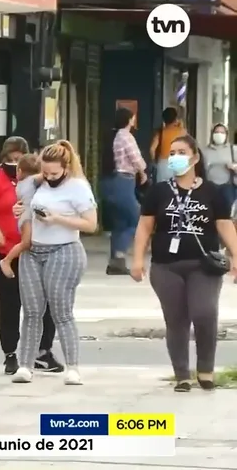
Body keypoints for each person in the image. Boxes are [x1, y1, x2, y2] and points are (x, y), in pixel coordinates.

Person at [131, 134, 237, 392]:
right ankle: (182, 374)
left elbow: (224, 225)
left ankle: (206, 369)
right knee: (176, 319)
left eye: (181, 152)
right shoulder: (159, 191)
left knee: (204, 312)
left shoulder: (211, 191)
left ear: (195, 157)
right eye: (172, 152)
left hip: (204, 265)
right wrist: (137, 259)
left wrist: (235, 256)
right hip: (166, 265)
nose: (176, 157)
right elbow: (145, 227)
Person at [12, 140, 97, 386]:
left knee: (61, 311)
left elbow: (91, 224)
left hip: (64, 250)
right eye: (46, 172)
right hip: (34, 250)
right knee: (31, 312)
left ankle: (73, 367)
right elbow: (25, 200)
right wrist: (21, 210)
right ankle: (25, 365)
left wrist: (58, 218)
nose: (49, 177)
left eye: (55, 173)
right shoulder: (38, 183)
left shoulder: (78, 187)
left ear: (67, 167)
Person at [0, 136, 61, 375]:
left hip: (36, 250)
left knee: (43, 303)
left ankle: (41, 351)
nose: (14, 164)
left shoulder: (39, 181)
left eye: (18, 159)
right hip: (4, 251)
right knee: (9, 303)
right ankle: (10, 353)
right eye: (10, 159)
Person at [100, 107, 147, 275]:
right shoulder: (126, 136)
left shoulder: (112, 136)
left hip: (112, 182)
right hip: (124, 181)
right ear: (129, 120)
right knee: (135, 219)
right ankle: (119, 256)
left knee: (120, 223)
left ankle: (116, 261)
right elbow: (136, 158)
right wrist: (143, 171)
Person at [0, 154, 42, 278]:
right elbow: (43, 176)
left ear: (19, 171)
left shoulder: (20, 183)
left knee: (28, 242)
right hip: (26, 216)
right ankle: (7, 260)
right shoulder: (30, 182)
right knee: (26, 242)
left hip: (26, 214)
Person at [202, 123, 237, 211]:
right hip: (210, 186)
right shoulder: (205, 151)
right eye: (217, 132)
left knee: (228, 213)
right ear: (212, 134)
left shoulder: (233, 149)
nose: (219, 134)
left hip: (228, 187)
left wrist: (234, 167)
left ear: (226, 135)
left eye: (222, 132)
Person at [150, 107, 187, 182]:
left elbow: (152, 149)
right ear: (175, 119)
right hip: (178, 161)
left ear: (164, 120)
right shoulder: (181, 132)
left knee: (163, 188)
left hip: (163, 163)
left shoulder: (160, 133)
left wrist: (154, 161)